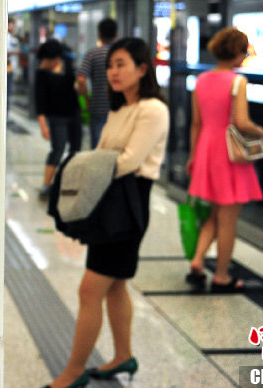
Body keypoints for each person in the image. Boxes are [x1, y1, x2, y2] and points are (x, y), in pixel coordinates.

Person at [46, 38, 169, 388]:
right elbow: (103, 153)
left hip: (128, 204)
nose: (112, 72)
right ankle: (123, 356)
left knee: (90, 289)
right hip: (110, 199)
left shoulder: (153, 110)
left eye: (121, 64)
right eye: (110, 65)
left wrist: (86, 168)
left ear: (142, 69)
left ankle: (74, 371)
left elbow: (128, 161)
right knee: (115, 286)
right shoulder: (119, 109)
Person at [185, 27, 263, 293]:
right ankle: (221, 276)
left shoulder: (202, 80)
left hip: (207, 149)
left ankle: (198, 261)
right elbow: (241, 122)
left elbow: (196, 124)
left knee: (216, 213)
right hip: (228, 154)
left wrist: (193, 156)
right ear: (238, 54)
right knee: (228, 219)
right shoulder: (237, 81)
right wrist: (259, 131)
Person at [35, 39, 81, 198]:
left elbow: (74, 85)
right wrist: (43, 125)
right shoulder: (42, 73)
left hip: (74, 113)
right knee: (58, 149)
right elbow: (39, 101)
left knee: (76, 150)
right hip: (56, 117)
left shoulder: (67, 64)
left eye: (54, 59)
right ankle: (46, 185)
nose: (51, 63)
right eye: (48, 60)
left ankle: (69, 184)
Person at [77, 18, 118, 148]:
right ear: (116, 34)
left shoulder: (93, 54)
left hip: (97, 107)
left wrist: (86, 99)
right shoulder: (121, 55)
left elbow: (81, 79)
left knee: (98, 146)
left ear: (99, 34)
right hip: (119, 106)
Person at [7, 17, 20, 116]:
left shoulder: (12, 38)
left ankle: (7, 115)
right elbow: (3, 53)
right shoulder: (5, 37)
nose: (13, 27)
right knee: (6, 94)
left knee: (8, 94)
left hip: (10, 69)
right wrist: (14, 52)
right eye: (12, 25)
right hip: (6, 70)